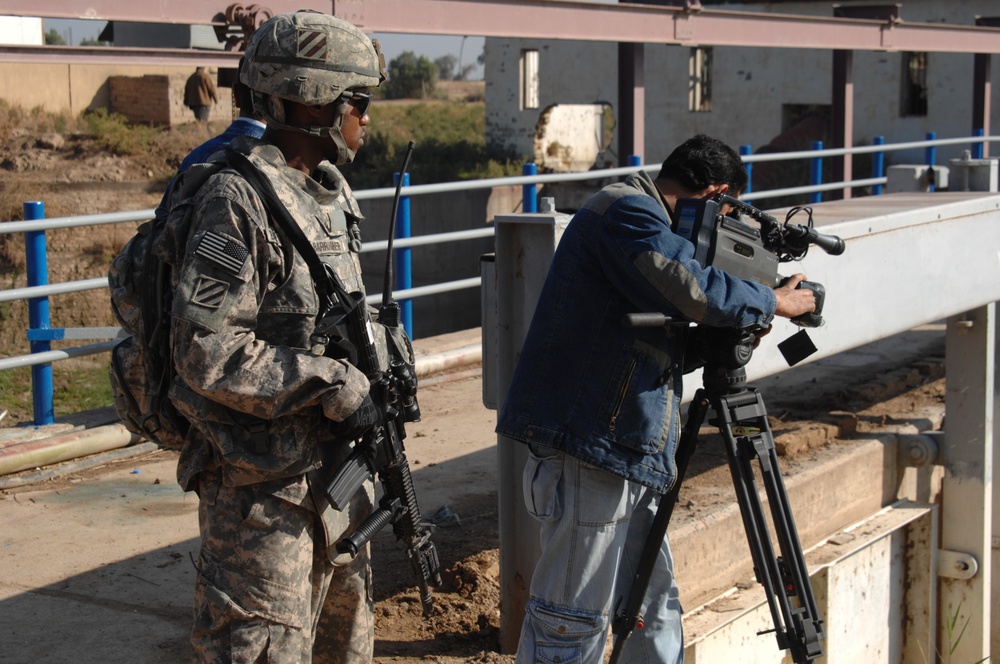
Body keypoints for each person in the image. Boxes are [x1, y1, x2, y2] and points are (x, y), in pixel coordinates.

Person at [495, 134, 817, 664]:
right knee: (570, 620)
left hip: (629, 446)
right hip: (590, 446)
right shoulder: (624, 211)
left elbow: (647, 345)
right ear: (716, 195)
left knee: (651, 606)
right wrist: (770, 301)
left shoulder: (646, 222)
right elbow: (689, 285)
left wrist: (736, 325)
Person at [164, 11, 387, 663]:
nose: (366, 118)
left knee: (345, 641)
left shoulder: (329, 194)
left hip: (332, 475)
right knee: (262, 649)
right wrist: (334, 383)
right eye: (358, 101)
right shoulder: (234, 201)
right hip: (258, 492)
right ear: (310, 101)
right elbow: (204, 352)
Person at [154, 58, 265, 220]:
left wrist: (186, 101)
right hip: (204, 102)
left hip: (194, 103)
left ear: (236, 95)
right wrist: (215, 98)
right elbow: (211, 89)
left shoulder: (195, 157)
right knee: (203, 121)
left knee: (200, 121)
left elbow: (162, 219)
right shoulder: (284, 159)